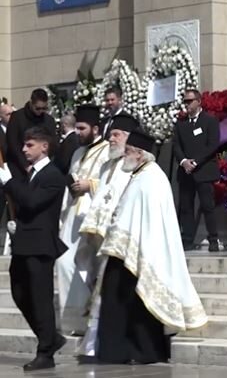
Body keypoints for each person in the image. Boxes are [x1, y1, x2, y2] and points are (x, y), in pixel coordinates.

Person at [97, 129, 207, 364]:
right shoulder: (141, 174)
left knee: (125, 301)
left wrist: (127, 244)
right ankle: (124, 352)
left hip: (137, 252)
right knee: (123, 301)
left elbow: (148, 221)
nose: (124, 155)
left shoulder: (151, 178)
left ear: (139, 154)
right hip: (127, 251)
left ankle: (134, 352)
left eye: (128, 151)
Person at [0, 127, 67, 371]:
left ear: (44, 147)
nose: (24, 149)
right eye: (24, 144)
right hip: (24, 244)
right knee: (19, 293)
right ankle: (50, 337)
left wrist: (8, 182)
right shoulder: (31, 174)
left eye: (30, 145)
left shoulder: (53, 175)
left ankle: (45, 352)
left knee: (41, 299)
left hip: (40, 246)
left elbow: (30, 201)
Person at [77, 113, 139, 357]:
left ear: (128, 138)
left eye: (116, 135)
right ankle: (95, 342)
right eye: (110, 134)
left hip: (121, 240)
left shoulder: (132, 168)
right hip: (100, 238)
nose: (111, 139)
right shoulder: (107, 166)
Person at [57, 104, 110, 334]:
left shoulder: (108, 151)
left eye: (82, 128)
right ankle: (75, 320)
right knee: (63, 262)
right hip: (72, 214)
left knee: (88, 267)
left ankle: (92, 319)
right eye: (76, 128)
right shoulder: (77, 152)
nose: (77, 132)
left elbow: (112, 183)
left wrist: (90, 184)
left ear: (95, 129)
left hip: (93, 216)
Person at [173, 89, 220, 252]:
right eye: (185, 101)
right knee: (186, 207)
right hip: (186, 172)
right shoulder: (181, 124)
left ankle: (213, 238)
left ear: (199, 102)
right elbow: (176, 146)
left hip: (204, 171)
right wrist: (184, 162)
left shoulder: (210, 121)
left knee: (208, 206)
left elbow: (212, 145)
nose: (186, 104)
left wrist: (196, 162)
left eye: (189, 101)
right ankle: (187, 239)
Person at [6, 89, 56, 180]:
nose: (41, 111)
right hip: (19, 166)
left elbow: (52, 144)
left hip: (42, 167)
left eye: (44, 108)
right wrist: (26, 165)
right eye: (38, 108)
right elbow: (12, 143)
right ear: (31, 103)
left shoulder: (49, 120)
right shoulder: (17, 117)